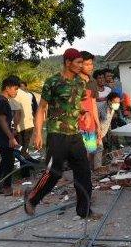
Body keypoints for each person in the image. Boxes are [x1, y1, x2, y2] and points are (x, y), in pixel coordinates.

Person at [25, 48, 94, 218]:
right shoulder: (53, 82)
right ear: (67, 63)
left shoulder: (80, 82)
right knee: (54, 172)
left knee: (84, 172)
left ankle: (84, 210)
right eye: (78, 63)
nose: (81, 66)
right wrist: (38, 133)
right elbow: (41, 109)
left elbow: (75, 104)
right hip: (57, 134)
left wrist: (82, 114)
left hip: (75, 134)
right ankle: (32, 199)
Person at [0, 76, 21, 195]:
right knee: (9, 161)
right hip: (3, 137)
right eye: (15, 89)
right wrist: (11, 137)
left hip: (3, 135)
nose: (16, 91)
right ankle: (6, 187)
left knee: (5, 161)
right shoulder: (2, 101)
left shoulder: (2, 100)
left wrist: (12, 132)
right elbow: (2, 120)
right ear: (7, 88)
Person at [78, 52, 103, 163]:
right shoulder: (74, 82)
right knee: (81, 154)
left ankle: (89, 176)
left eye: (91, 64)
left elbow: (93, 105)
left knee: (91, 151)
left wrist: (98, 125)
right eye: (86, 64)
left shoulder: (92, 82)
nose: (90, 67)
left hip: (91, 124)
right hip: (77, 124)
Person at [15, 81, 38, 179]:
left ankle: (26, 170)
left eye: (23, 87)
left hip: (22, 127)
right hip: (27, 125)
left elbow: (17, 114)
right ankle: (28, 168)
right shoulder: (27, 95)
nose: (21, 89)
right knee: (23, 149)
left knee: (21, 149)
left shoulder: (18, 96)